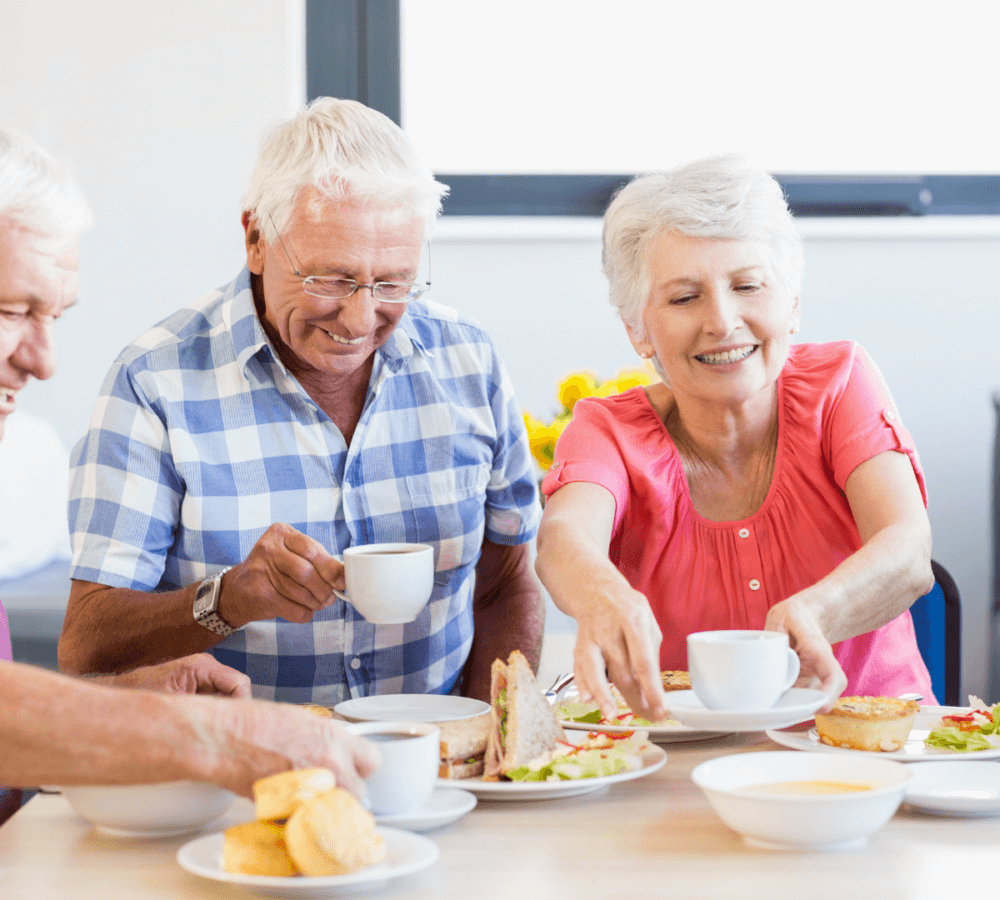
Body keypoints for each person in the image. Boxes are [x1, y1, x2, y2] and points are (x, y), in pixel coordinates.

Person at [60, 97, 543, 704]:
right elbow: (86, 646)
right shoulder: (155, 381)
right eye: (331, 279)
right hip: (243, 774)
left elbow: (505, 584)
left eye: (392, 283)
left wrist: (490, 738)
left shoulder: (468, 360)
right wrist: (227, 598)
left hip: (438, 766)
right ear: (256, 239)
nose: (361, 318)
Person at [0, 125, 378, 824]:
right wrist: (220, 738)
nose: (44, 362)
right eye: (11, 311)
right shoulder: (157, 375)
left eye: (54, 315)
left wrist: (128, 700)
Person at [534, 155, 935, 723]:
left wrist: (819, 611)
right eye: (683, 297)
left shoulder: (841, 382)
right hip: (686, 766)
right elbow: (563, 538)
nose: (722, 321)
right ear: (637, 330)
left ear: (791, 303)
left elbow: (909, 547)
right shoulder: (608, 430)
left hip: (875, 743)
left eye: (747, 285)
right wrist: (602, 594)